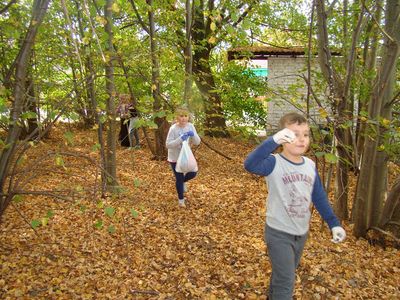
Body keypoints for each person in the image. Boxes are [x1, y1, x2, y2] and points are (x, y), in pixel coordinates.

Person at [244, 112, 346, 300]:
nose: (301, 139)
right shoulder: (273, 163)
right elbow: (250, 164)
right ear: (283, 138)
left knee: (283, 273)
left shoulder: (309, 165)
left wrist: (334, 223)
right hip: (278, 233)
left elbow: (319, 196)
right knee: (286, 280)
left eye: (305, 134)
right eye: (294, 134)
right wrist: (272, 141)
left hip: (301, 233)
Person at [166, 107, 201, 207]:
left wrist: (193, 134)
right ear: (177, 117)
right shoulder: (173, 128)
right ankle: (181, 200)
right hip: (175, 158)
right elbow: (168, 145)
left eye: (185, 116)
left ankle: (181, 182)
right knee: (179, 177)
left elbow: (197, 142)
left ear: (188, 117)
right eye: (181, 116)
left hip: (186, 156)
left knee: (193, 173)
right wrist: (180, 139)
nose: (183, 118)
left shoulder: (190, 126)